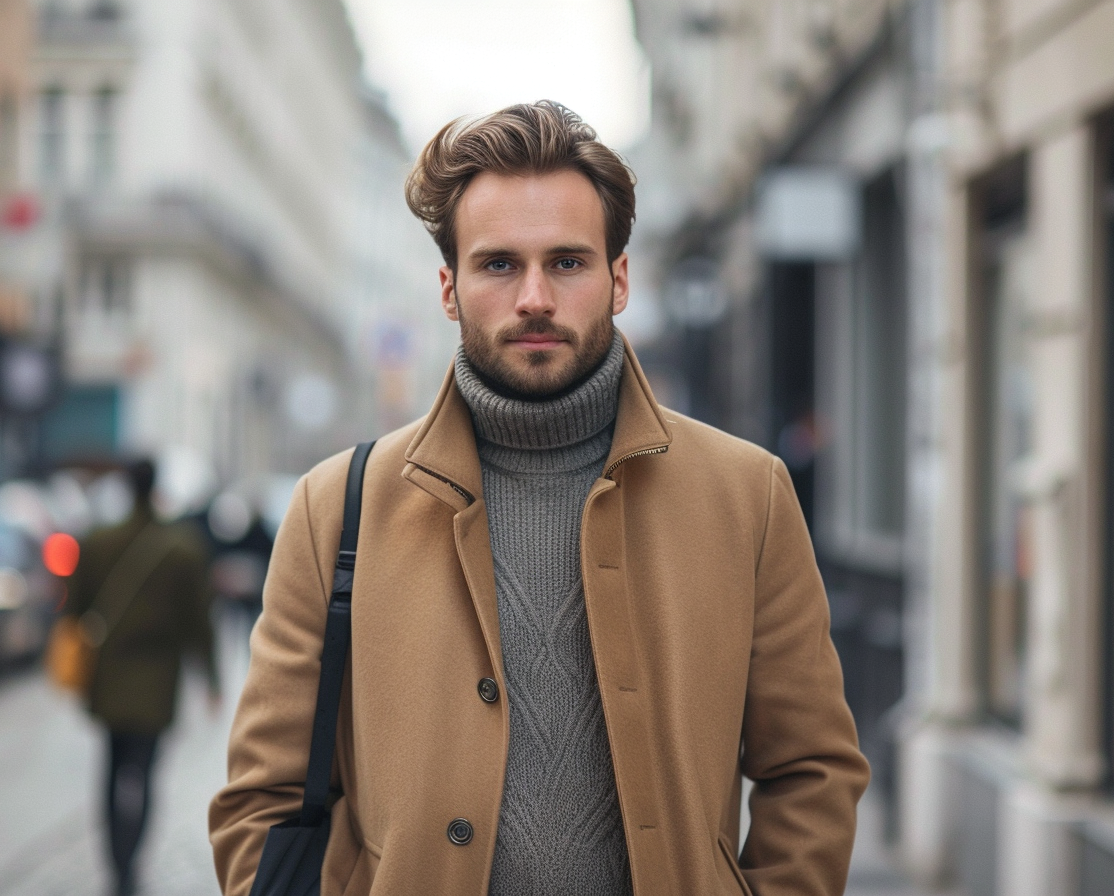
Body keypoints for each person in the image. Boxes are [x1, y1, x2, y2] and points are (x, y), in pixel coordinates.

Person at [210, 101, 869, 895]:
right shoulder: (335, 508)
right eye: (498, 265)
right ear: (449, 289)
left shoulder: (746, 495)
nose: (533, 298)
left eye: (566, 262)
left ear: (618, 279)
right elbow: (261, 797)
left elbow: (812, 769)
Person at [66, 459, 219, 896]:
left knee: (112, 769)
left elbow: (74, 608)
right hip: (156, 680)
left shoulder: (98, 542)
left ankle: (116, 864)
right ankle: (132, 861)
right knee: (145, 773)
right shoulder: (182, 549)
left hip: (110, 677)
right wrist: (211, 681)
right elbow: (199, 623)